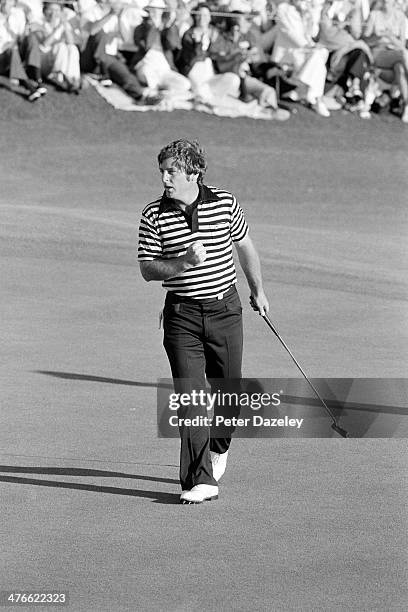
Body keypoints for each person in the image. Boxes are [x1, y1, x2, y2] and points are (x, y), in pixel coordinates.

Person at [138, 139, 269, 505]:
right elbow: (148, 269)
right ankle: (200, 479)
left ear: (194, 173)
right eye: (162, 171)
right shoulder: (153, 215)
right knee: (191, 397)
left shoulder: (225, 202)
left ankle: (219, 446)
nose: (164, 178)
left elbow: (244, 246)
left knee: (229, 391)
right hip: (182, 317)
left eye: (172, 172)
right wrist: (183, 262)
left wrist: (258, 290)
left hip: (225, 310)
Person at [363, 0, 408, 122]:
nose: (385, 4)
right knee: (404, 55)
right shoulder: (374, 15)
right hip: (378, 53)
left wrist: (390, 36)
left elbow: (402, 44)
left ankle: (406, 105)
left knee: (400, 68)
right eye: (384, 2)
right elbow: (365, 40)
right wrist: (379, 36)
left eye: (388, 2)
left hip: (395, 55)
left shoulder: (400, 17)